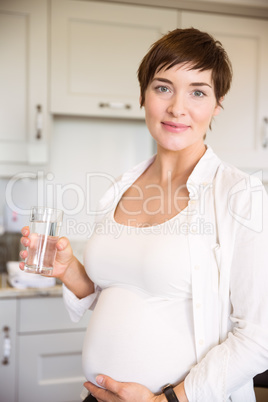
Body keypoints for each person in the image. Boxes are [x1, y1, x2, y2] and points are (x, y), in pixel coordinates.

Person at [19, 28, 268, 402]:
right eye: (163, 87)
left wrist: (167, 400)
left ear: (216, 105)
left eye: (198, 92)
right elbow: (124, 294)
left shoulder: (239, 194)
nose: (177, 108)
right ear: (143, 95)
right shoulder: (121, 185)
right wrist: (69, 271)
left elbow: (258, 337)